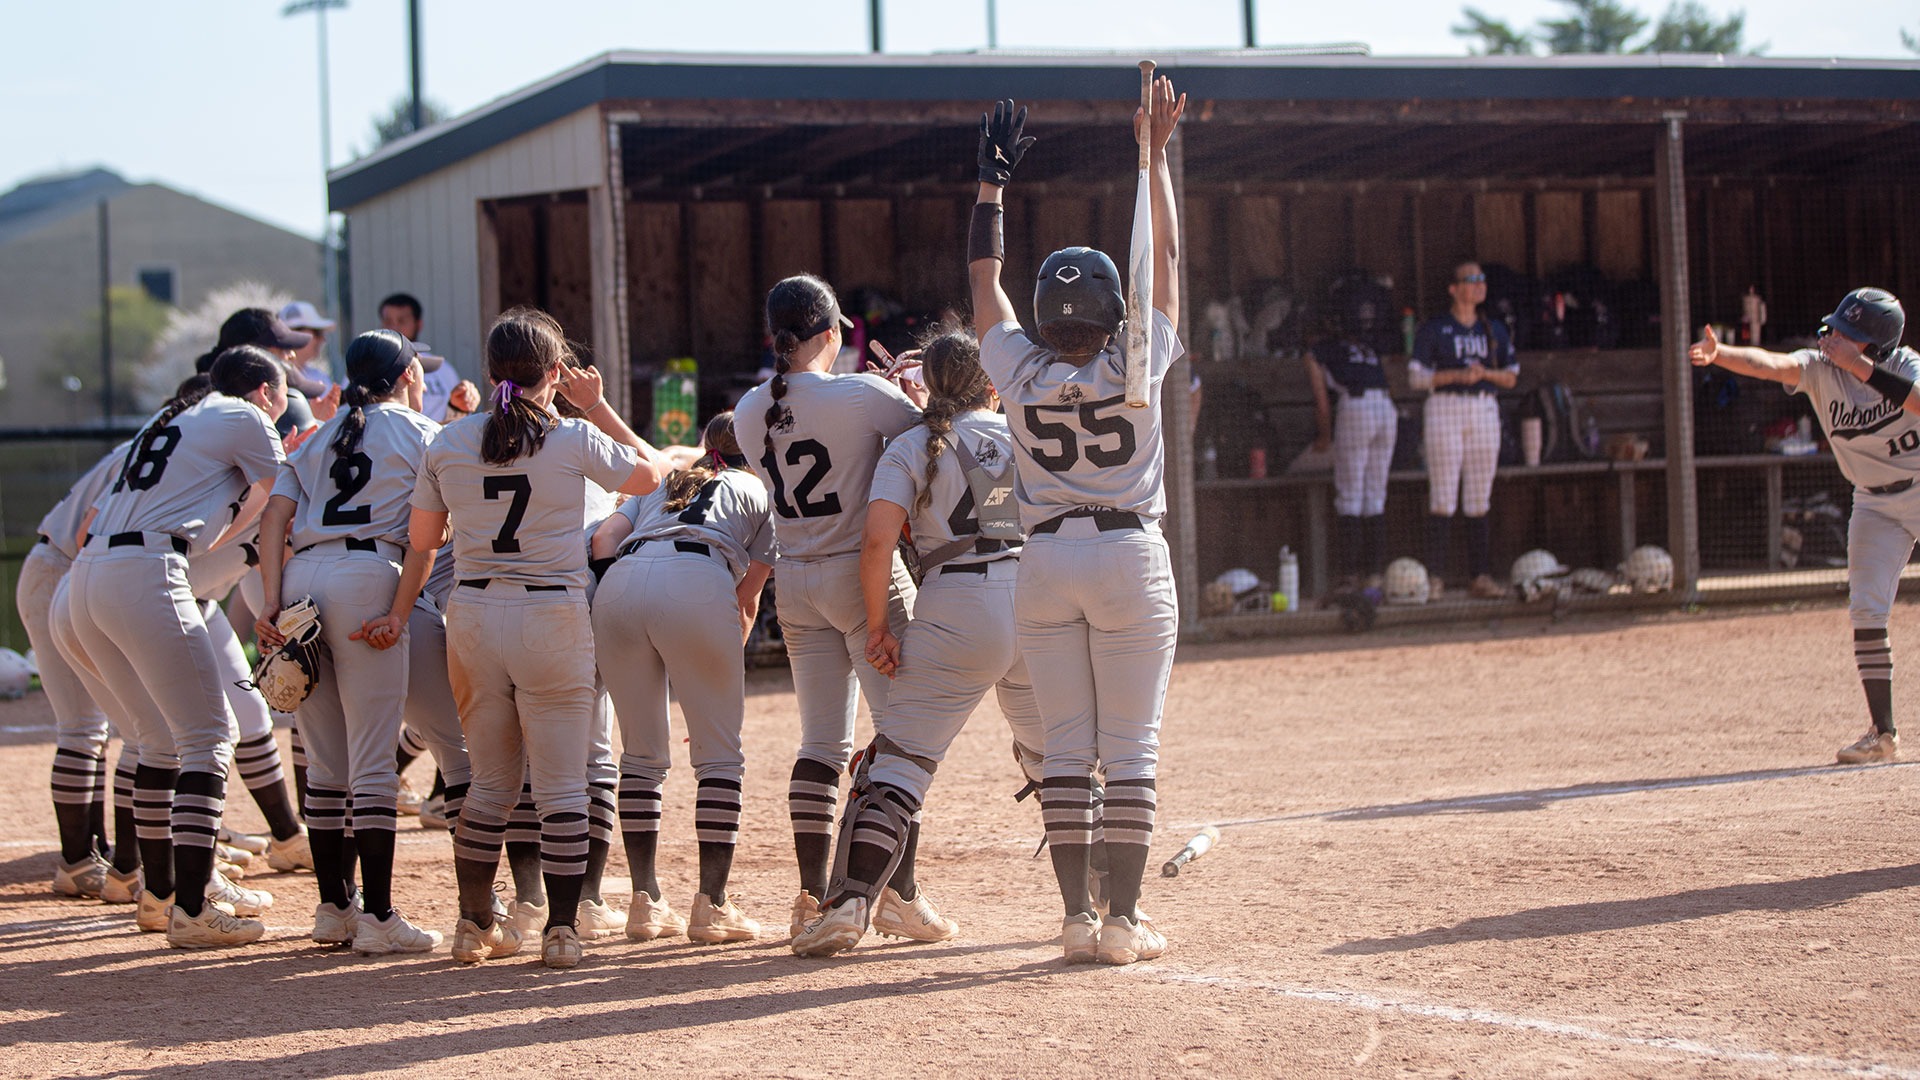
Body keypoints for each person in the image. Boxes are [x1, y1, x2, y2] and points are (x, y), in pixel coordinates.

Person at [967, 81, 1186, 966]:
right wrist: (1154, 158)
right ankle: (1124, 923)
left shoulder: (1015, 368)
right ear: (1107, 312)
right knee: (1129, 747)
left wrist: (991, 187)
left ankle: (1073, 918)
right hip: (1130, 552)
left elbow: (983, 278)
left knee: (1065, 747)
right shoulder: (1136, 360)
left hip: (1045, 561)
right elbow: (1164, 257)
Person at [403, 307, 671, 969]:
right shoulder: (573, 437)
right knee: (560, 787)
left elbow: (422, 541)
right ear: (555, 373)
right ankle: (560, 931)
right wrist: (598, 408)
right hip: (549, 612)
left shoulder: (448, 441)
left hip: (472, 612)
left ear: (492, 371)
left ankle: (472, 925)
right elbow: (653, 474)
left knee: (491, 785)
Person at [793, 327, 1046, 956]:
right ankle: (1101, 902)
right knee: (1060, 760)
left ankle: (850, 904)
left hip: (955, 605)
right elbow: (1005, 510)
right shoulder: (1018, 429)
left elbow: (878, 544)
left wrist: (880, 628)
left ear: (927, 388)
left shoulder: (911, 444)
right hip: (1032, 599)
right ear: (990, 383)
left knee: (897, 764)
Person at [60, 345, 288, 948]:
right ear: (265, 391)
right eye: (281, 393)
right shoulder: (247, 414)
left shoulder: (177, 415)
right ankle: (192, 908)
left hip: (89, 572)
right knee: (209, 736)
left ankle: (160, 897)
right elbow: (281, 493)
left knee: (157, 740)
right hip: (147, 565)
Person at [733, 275, 925, 939]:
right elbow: (931, 447)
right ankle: (898, 893)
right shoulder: (863, 392)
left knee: (819, 742)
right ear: (829, 332)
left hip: (796, 574)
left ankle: (812, 897)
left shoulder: (750, 407)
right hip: (859, 572)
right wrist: (916, 394)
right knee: (903, 735)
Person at [255, 328, 447, 956]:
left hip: (304, 576)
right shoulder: (421, 432)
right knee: (370, 758)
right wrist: (397, 608)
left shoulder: (317, 433)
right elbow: (426, 534)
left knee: (326, 762)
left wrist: (272, 603)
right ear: (407, 375)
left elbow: (274, 519)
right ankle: (381, 917)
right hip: (369, 574)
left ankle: (335, 908)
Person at [1690, 287, 1916, 765]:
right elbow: (1768, 364)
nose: (1832, 337)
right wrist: (1720, 354)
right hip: (1874, 504)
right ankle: (1883, 735)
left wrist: (1861, 370)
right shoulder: (1818, 370)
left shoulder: (1904, 367)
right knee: (1867, 611)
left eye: (1847, 333)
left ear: (1873, 346)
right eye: (1835, 328)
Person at [590, 411, 775, 944]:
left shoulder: (669, 478)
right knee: (719, 757)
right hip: (697, 578)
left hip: (620, 582)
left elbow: (605, 536)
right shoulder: (759, 489)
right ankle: (712, 904)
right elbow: (747, 600)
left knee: (641, 756)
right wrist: (711, 684)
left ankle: (645, 902)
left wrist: (611, 594)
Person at [22, 441, 133, 898]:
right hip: (64, 572)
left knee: (96, 726)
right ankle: (75, 861)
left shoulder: (156, 438)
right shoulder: (166, 443)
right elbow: (91, 527)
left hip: (64, 570)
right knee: (83, 726)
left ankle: (93, 849)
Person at [1410, 261, 1518, 600]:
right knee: (1442, 495)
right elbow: (1416, 377)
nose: (1479, 285)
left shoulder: (1493, 329)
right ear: (1454, 289)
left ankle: (1480, 576)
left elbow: (1512, 376)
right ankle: (1435, 578)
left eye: (1482, 280)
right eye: (1471, 280)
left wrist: (1483, 373)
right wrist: (1457, 375)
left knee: (1478, 496)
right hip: (1445, 407)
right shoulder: (1435, 328)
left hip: (1483, 407)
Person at [1305, 300, 1398, 588]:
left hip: (1358, 410)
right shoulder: (1364, 348)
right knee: (1375, 495)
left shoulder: (1316, 352)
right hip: (1386, 410)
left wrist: (1324, 437)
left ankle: (1350, 574)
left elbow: (1322, 405)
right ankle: (1374, 575)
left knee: (1350, 495)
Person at [378, 292, 480, 424]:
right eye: (388, 321)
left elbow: (457, 425)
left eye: (402, 321)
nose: (395, 328)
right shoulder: (368, 367)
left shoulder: (443, 370)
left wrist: (459, 407)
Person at [279, 300, 338, 399]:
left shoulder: (319, 378)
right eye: (317, 332)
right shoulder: (272, 378)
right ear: (294, 333)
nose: (323, 339)